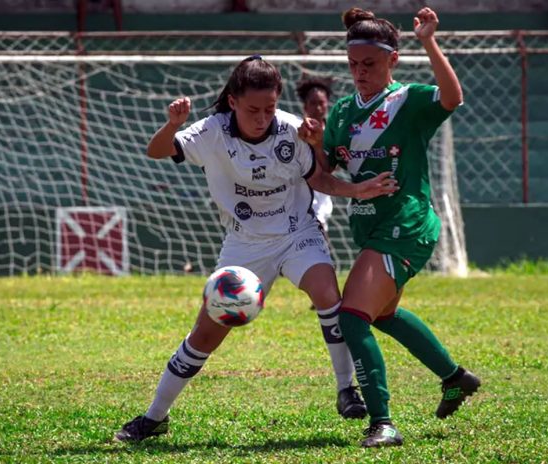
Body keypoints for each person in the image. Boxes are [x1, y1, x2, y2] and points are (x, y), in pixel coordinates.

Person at [114, 55, 398, 442]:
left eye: (269, 108)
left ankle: (346, 389)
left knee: (328, 294)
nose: (263, 118)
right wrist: (173, 124)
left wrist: (354, 188)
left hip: (298, 233)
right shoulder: (211, 131)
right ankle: (154, 416)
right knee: (204, 335)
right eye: (253, 110)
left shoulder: (292, 130)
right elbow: (156, 150)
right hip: (244, 245)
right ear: (232, 101)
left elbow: (320, 179)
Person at [300, 7, 481, 448]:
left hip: (406, 224)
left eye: (370, 65)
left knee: (351, 318)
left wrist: (429, 42)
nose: (360, 73)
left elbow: (453, 97)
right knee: (381, 315)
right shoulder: (342, 112)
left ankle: (382, 422)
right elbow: (325, 176)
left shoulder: (411, 99)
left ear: (392, 61)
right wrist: (315, 147)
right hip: (369, 228)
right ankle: (456, 377)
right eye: (354, 65)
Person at [296, 77, 335, 239]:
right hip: (298, 196)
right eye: (313, 103)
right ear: (305, 106)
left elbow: (332, 165)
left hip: (321, 198)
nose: (318, 108)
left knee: (318, 242)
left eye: (322, 103)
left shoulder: (333, 131)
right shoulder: (297, 129)